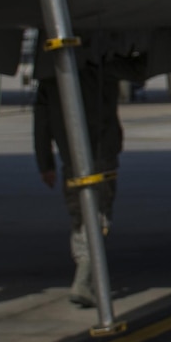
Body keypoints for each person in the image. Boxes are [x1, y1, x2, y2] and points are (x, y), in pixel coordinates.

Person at [33, 58, 122, 308]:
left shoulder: (51, 77)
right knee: (97, 215)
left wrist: (45, 164)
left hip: (71, 158)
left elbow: (41, 120)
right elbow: (134, 71)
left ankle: (85, 272)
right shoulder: (101, 66)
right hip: (100, 155)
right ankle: (84, 278)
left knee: (80, 217)